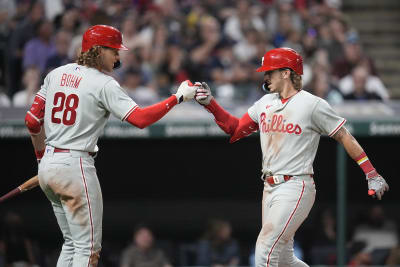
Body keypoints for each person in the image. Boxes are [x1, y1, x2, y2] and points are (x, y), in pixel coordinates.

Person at [194, 47, 389, 267]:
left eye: (270, 72)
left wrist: (371, 173)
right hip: (269, 188)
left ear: (286, 73)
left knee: (265, 248)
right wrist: (211, 104)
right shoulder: (265, 102)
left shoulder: (312, 104)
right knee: (285, 259)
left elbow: (345, 137)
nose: (266, 76)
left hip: (295, 185)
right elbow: (234, 129)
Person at [24, 24, 199, 266]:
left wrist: (42, 158)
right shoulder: (104, 83)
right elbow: (140, 119)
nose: (118, 57)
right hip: (75, 166)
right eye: (113, 51)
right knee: (87, 250)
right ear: (97, 50)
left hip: (49, 164)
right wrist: (177, 98)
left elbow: (32, 121)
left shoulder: (56, 73)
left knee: (71, 244)